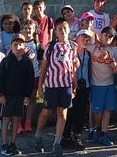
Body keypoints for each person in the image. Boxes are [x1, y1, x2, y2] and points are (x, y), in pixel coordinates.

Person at [32, 20, 77, 156]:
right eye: (59, 29)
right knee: (46, 112)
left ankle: (57, 143)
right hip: (51, 85)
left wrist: (74, 84)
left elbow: (73, 67)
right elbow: (44, 67)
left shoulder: (73, 47)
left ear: (69, 29)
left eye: (64, 28)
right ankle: (38, 137)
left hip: (66, 85)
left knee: (62, 113)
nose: (62, 30)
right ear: (55, 32)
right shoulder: (51, 47)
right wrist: (40, 86)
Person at [0, 35, 36, 156]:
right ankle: (4, 144)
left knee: (16, 120)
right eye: (15, 44)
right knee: (6, 120)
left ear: (24, 46)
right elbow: (0, 79)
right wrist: (1, 94)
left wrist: (27, 96)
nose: (18, 47)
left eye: (20, 44)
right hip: (7, 96)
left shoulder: (27, 62)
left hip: (20, 96)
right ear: (11, 46)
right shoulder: (6, 61)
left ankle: (13, 144)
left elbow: (30, 80)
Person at [62, 29, 94, 151]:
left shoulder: (88, 54)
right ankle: (66, 136)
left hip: (84, 86)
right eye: (83, 38)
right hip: (71, 86)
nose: (85, 41)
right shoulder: (70, 53)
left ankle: (77, 135)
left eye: (87, 39)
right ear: (77, 38)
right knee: (69, 112)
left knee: (80, 113)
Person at [88, 26, 117, 146]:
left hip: (109, 84)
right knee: (98, 111)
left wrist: (114, 65)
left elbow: (116, 69)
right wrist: (96, 41)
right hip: (96, 84)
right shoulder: (92, 47)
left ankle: (104, 133)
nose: (107, 38)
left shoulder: (114, 50)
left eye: (110, 36)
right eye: (105, 35)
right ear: (101, 35)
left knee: (108, 110)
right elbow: (83, 38)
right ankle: (97, 129)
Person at [17, 20, 41, 134]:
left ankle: (28, 121)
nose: (28, 30)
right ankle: (19, 123)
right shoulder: (19, 43)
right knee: (21, 100)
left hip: (35, 74)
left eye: (30, 28)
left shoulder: (37, 43)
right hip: (21, 76)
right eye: (25, 28)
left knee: (32, 100)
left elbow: (41, 61)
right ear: (22, 30)